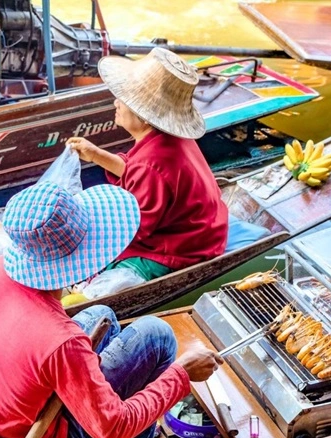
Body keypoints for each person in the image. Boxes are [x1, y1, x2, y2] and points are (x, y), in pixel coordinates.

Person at [0, 181, 222, 438]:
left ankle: (114, 423)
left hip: (5, 417)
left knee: (101, 313)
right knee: (157, 335)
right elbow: (115, 428)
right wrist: (182, 375)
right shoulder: (61, 341)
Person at [66, 47, 229, 282]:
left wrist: (83, 230)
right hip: (208, 227)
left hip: (184, 247)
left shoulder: (151, 165)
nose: (116, 104)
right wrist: (96, 154)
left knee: (98, 268)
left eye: (123, 100)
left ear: (143, 115)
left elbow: (135, 229)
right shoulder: (167, 139)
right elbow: (136, 169)